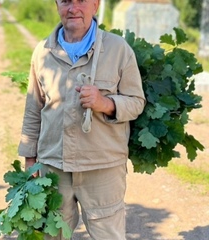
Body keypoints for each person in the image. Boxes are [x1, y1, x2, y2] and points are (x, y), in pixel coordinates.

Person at [18, 0, 146, 239]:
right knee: (51, 235)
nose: (73, 8)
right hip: (53, 166)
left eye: (81, 1)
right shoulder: (42, 52)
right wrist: (29, 158)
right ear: (57, 5)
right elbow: (33, 109)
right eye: (66, 1)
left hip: (102, 167)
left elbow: (137, 102)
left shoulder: (118, 49)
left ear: (95, 5)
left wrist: (105, 104)